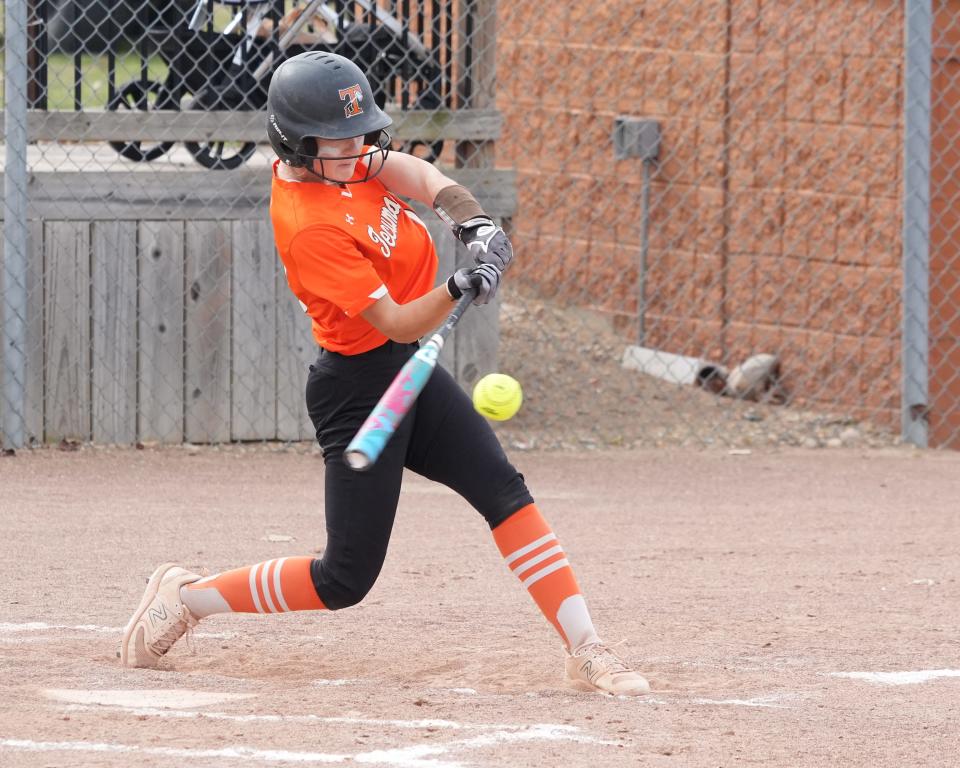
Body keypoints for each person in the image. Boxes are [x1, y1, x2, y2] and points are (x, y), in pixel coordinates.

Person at [120, 51, 650, 696]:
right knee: (343, 579)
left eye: (360, 135)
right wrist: (460, 283)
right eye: (337, 141)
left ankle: (586, 648)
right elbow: (398, 322)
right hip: (357, 389)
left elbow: (415, 173)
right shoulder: (307, 225)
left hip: (406, 373)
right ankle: (188, 598)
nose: (358, 151)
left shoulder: (350, 161)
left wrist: (472, 220)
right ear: (293, 143)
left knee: (504, 491)